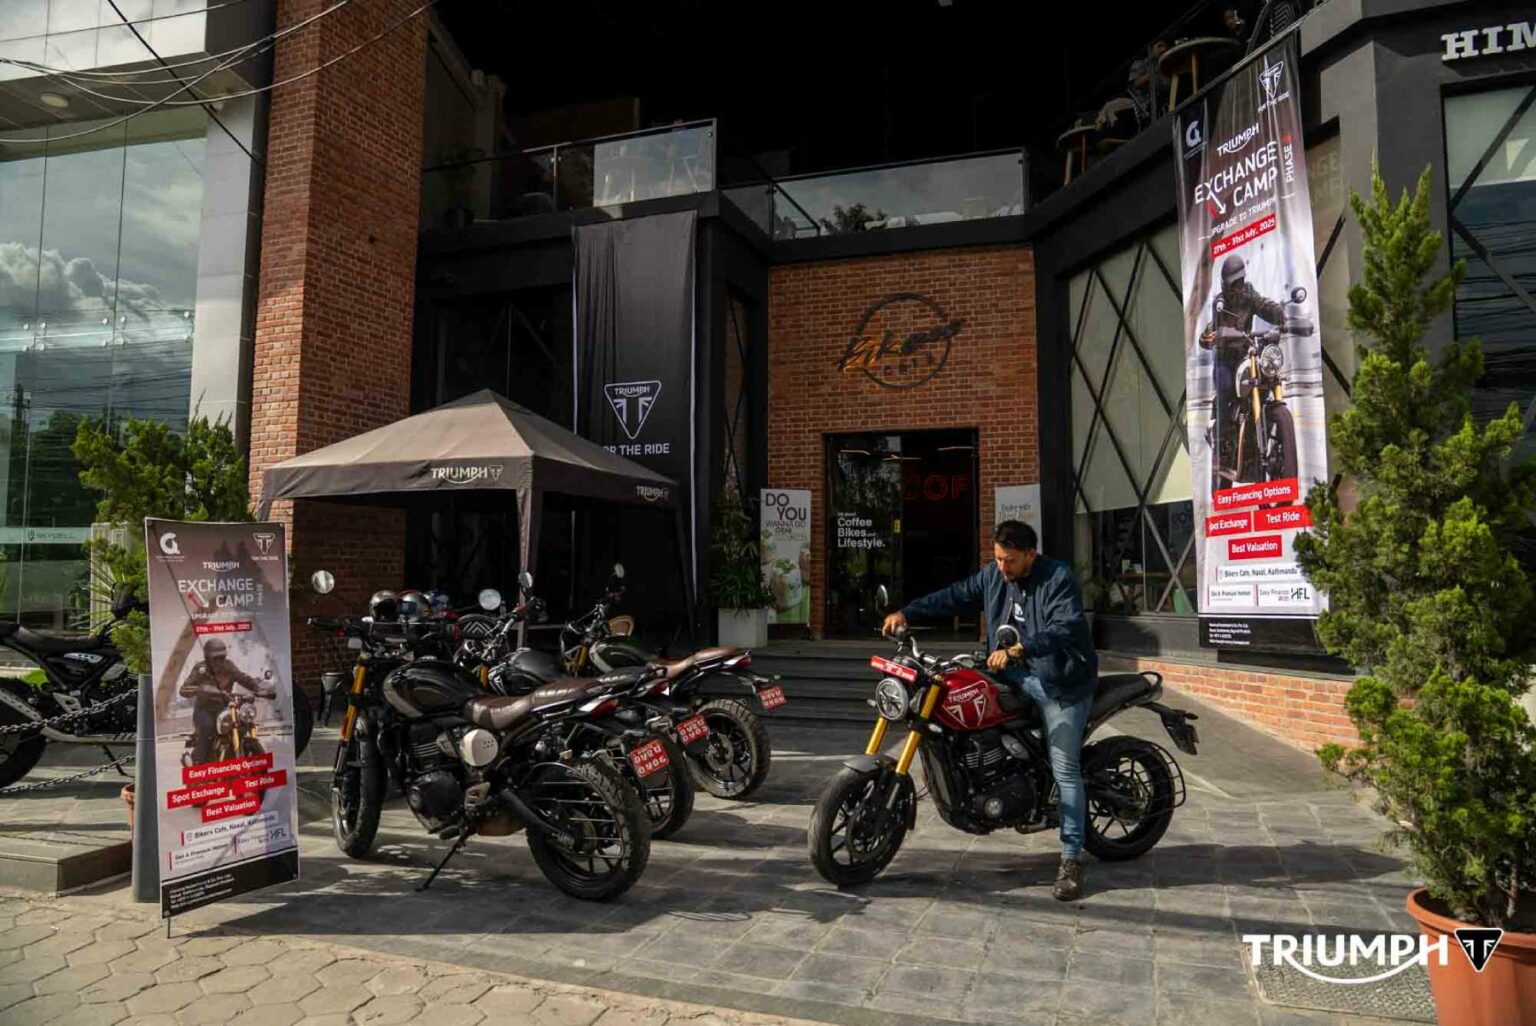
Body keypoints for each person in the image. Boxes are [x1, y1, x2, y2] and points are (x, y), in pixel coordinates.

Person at [880, 520, 1098, 901]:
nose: (1002, 567)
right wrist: (908, 613)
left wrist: (1021, 649)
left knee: (1065, 768)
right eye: (997, 558)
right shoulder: (994, 576)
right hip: (1010, 673)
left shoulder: (1058, 578)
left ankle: (1071, 859)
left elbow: (1066, 627)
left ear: (1031, 554)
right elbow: (955, 595)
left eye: (1009, 560)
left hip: (1059, 683)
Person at [1199, 253, 1287, 487]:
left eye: (1240, 281)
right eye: (1234, 283)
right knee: (1225, 389)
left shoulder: (1249, 294)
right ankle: (1221, 447)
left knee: (1266, 378)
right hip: (1225, 361)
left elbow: (1263, 305)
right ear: (1225, 283)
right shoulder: (1220, 303)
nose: (1238, 286)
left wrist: (1281, 315)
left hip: (1246, 355)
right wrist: (1221, 334)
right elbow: (1217, 326)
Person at [179, 638, 273, 764]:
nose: (219, 661)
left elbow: (243, 678)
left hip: (225, 708)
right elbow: (184, 689)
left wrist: (258, 689)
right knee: (207, 728)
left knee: (243, 725)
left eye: (222, 657)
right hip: (205, 710)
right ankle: (197, 765)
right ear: (208, 657)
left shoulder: (228, 666)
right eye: (216, 658)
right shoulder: (201, 669)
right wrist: (203, 689)